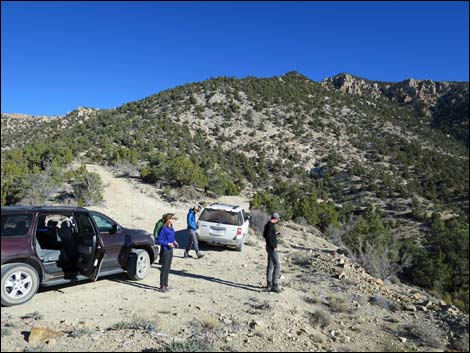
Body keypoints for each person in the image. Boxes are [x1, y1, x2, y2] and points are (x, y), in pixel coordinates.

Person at [156, 213, 178, 292]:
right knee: (164, 268)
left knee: (168, 268)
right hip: (165, 249)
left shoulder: (171, 227)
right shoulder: (164, 228)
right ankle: (162, 286)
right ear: (168, 219)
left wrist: (174, 241)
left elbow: (171, 237)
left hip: (170, 249)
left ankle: (166, 284)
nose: (173, 220)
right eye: (172, 218)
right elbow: (159, 240)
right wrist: (168, 243)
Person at [263, 212, 282, 293]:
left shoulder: (268, 225)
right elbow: (268, 237)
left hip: (269, 247)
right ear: (275, 219)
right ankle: (274, 285)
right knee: (277, 265)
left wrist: (275, 234)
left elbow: (265, 235)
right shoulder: (270, 226)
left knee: (270, 266)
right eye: (278, 220)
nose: (278, 221)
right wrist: (273, 246)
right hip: (271, 248)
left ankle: (269, 284)